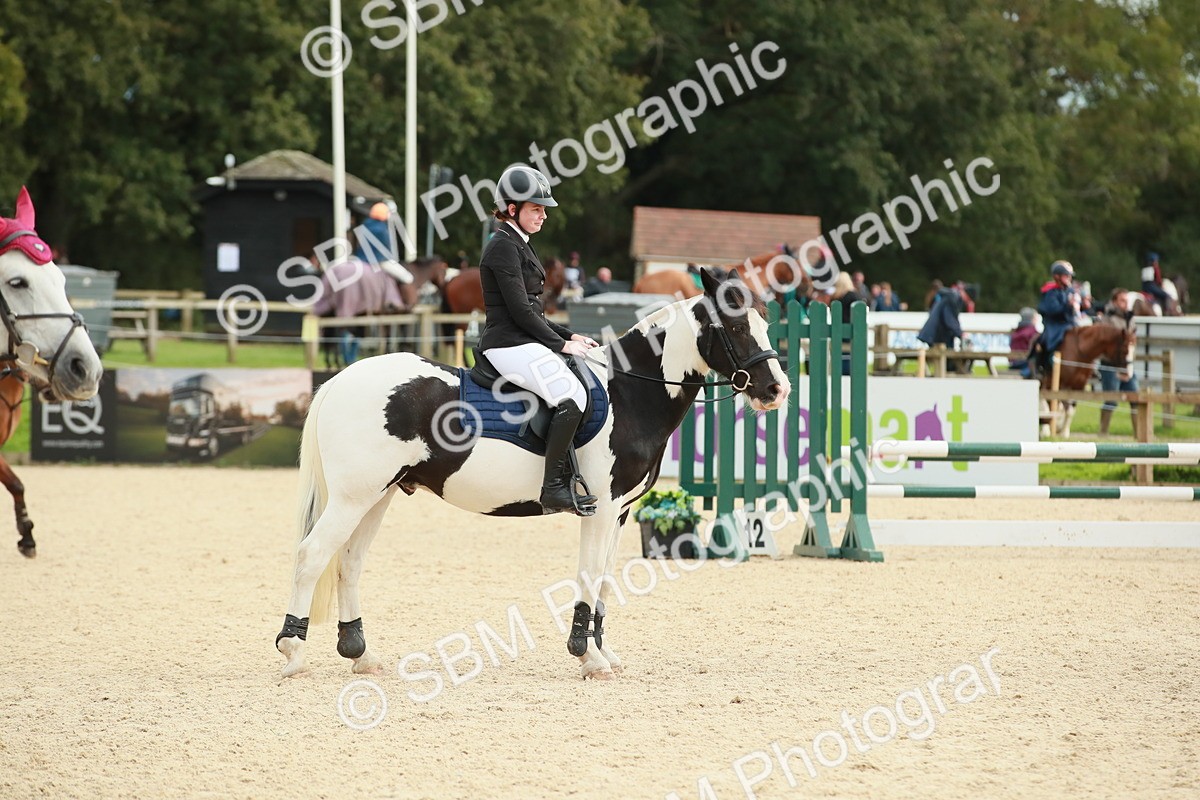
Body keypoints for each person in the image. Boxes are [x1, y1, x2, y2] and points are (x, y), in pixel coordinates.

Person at [478, 165, 599, 515]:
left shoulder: (519, 244)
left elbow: (536, 313)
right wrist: (561, 345)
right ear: (512, 209)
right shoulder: (502, 246)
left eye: (544, 208)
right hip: (506, 344)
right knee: (572, 396)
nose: (544, 215)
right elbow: (520, 312)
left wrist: (570, 334)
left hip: (522, 339)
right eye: (536, 208)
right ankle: (553, 487)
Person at [1097, 288, 1138, 434]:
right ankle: (1103, 433)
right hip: (1110, 364)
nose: (1125, 304)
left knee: (1135, 398)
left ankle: (1139, 435)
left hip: (1127, 364)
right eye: (1122, 300)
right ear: (1114, 302)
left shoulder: (1131, 318)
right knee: (1111, 400)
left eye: (1127, 301)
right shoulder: (1106, 318)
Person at [1031, 260, 1082, 378]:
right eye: (1066, 275)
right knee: (1050, 341)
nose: (1069, 278)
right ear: (1057, 277)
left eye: (1069, 276)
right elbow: (1052, 310)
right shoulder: (1050, 292)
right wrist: (1068, 305)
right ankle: (1045, 365)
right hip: (1055, 325)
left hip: (1070, 323)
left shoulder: (1070, 291)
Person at [354, 202, 413, 284]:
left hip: (361, 259)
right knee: (408, 278)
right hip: (379, 261)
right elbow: (386, 248)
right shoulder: (382, 229)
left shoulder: (365, 224)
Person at [1008, 307, 1039, 378]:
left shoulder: (1015, 332)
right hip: (1025, 363)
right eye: (1035, 318)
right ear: (1031, 319)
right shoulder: (1033, 332)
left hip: (1013, 362)